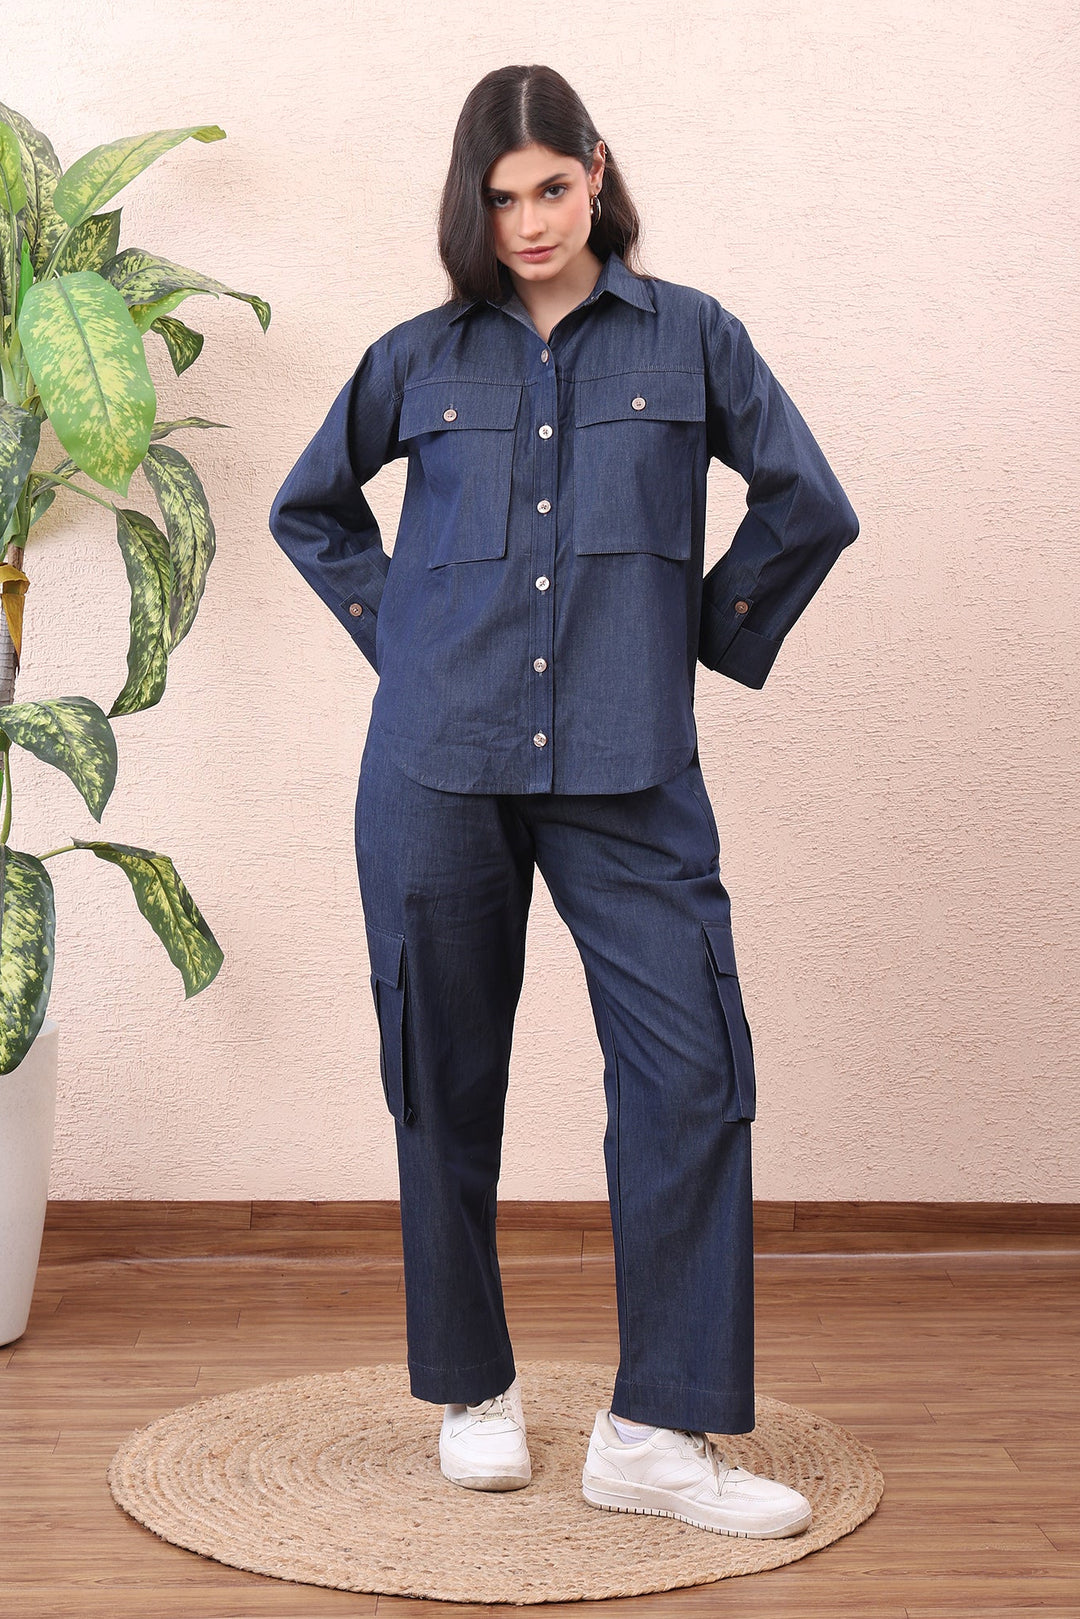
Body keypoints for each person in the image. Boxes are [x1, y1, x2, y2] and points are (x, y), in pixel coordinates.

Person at [268, 63, 858, 1541]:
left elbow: (809, 502)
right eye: (499, 195)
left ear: (596, 172)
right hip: (434, 766)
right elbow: (310, 508)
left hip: (629, 764)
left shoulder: (694, 337)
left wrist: (705, 635)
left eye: (550, 186)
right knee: (444, 1073)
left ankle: (657, 1433)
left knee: (690, 1077)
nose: (528, 220)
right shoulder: (419, 357)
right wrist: (397, 634)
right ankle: (471, 1389)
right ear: (471, 204)